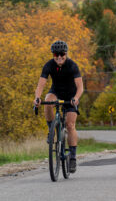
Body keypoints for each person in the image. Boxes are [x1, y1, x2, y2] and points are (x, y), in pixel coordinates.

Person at [33, 40, 83, 173]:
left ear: (66, 53)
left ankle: (72, 158)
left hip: (71, 96)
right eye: (56, 54)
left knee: (70, 125)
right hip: (56, 92)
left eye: (62, 54)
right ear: (53, 55)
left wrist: (76, 98)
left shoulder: (72, 65)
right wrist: (37, 98)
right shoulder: (48, 65)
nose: (59, 57)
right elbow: (41, 85)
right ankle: (51, 129)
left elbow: (80, 87)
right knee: (47, 101)